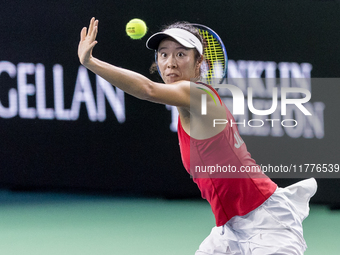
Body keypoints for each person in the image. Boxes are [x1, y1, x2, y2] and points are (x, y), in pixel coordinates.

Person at [78, 17, 317, 255]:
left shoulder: (198, 95)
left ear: (199, 61)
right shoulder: (188, 109)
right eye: (163, 54)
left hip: (268, 223)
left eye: (181, 54)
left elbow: (148, 90)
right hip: (230, 229)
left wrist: (91, 62)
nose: (170, 62)